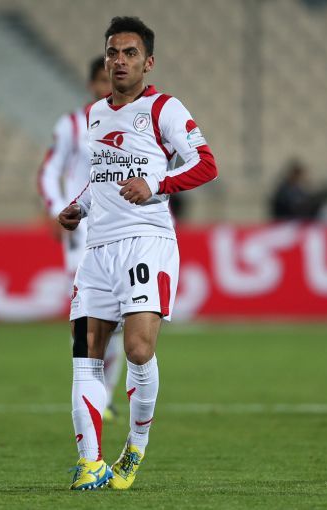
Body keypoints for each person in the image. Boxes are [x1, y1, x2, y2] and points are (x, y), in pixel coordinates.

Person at [58, 16, 218, 491]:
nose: (119, 61)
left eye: (130, 53)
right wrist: (80, 205)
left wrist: (157, 185)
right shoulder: (95, 114)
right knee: (86, 352)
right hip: (98, 248)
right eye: (113, 53)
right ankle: (90, 462)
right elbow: (101, 177)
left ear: (148, 62)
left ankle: (136, 445)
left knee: (138, 349)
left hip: (146, 241)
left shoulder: (164, 108)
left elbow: (206, 164)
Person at [37, 57, 124, 421]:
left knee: (120, 322)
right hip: (83, 230)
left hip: (123, 230)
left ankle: (104, 397)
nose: (108, 86)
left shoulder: (135, 123)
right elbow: (49, 172)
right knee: (87, 315)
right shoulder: (72, 124)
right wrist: (59, 209)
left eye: (113, 79)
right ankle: (90, 394)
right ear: (91, 85)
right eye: (102, 80)